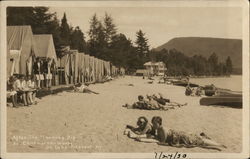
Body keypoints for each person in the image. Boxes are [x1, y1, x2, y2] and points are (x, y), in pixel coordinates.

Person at [137, 116, 227, 151]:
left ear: (159, 123)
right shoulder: (158, 129)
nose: (153, 125)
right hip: (180, 135)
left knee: (200, 141)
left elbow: (162, 141)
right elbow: (159, 138)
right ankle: (209, 139)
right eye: (153, 123)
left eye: (155, 123)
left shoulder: (162, 129)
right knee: (199, 139)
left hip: (182, 137)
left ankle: (219, 145)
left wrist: (151, 138)